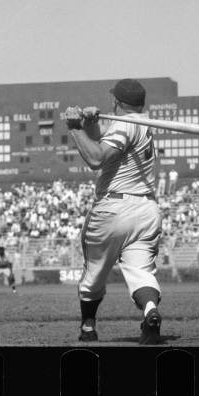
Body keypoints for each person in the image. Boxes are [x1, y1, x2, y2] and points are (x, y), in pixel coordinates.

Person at [65, 78, 164, 345]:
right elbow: (104, 144)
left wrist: (74, 128)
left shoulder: (124, 124)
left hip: (114, 209)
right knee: (141, 271)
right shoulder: (143, 122)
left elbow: (97, 158)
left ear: (117, 102)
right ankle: (150, 312)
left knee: (94, 273)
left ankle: (88, 325)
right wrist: (90, 125)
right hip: (146, 210)